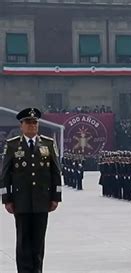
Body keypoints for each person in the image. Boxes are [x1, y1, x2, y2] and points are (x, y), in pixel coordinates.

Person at [0, 107, 62, 273]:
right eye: (28, 123)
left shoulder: (47, 144)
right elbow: (5, 175)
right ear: (21, 125)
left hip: (42, 201)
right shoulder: (13, 145)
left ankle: (37, 270)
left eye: (35, 122)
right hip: (21, 202)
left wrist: (56, 197)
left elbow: (56, 172)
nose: (32, 126)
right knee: (23, 241)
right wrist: (6, 199)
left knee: (39, 241)